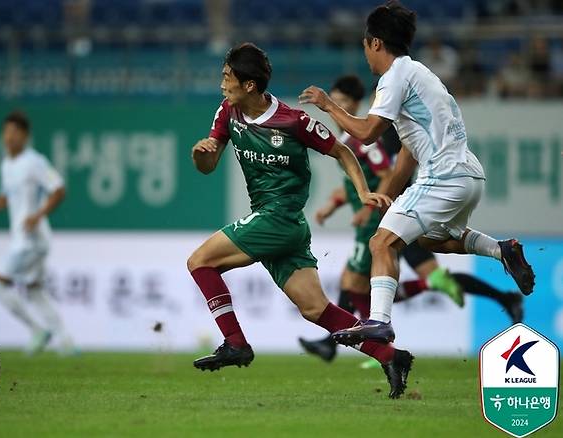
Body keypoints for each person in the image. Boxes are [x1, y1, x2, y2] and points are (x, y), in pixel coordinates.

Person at [299, 1, 535, 347]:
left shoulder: (393, 78)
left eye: (365, 44)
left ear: (375, 42)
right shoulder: (422, 74)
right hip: (469, 176)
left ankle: (379, 322)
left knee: (381, 243)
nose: (365, 53)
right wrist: (389, 197)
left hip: (443, 177)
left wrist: (328, 105)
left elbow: (366, 133)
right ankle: (504, 249)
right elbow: (407, 155)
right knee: (429, 240)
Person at [187, 42, 413, 399]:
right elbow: (208, 164)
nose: (222, 84)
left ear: (249, 85)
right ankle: (391, 356)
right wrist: (201, 153)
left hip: (279, 217)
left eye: (227, 77)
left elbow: (342, 150)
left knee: (199, 261)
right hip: (280, 224)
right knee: (315, 309)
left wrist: (364, 192)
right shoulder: (227, 112)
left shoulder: (293, 121)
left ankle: (235, 342)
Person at [0, 111, 74, 355]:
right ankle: (66, 342)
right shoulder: (6, 164)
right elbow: (4, 199)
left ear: (25, 136)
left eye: (16, 132)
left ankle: (36, 330)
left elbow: (59, 189)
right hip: (24, 239)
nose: (10, 137)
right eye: (7, 131)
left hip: (31, 240)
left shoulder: (34, 161)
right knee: (34, 290)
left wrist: (38, 214)